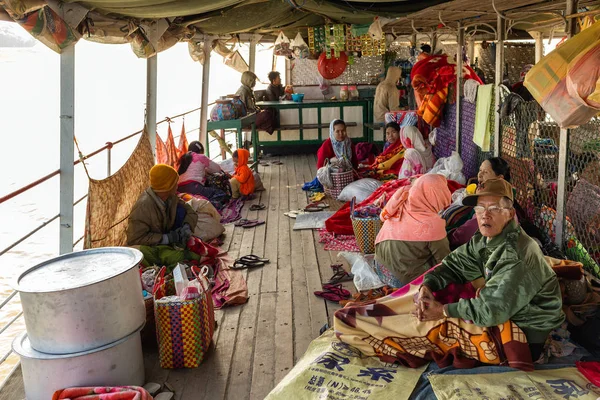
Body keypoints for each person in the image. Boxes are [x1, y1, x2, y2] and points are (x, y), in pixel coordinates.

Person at [416, 178, 564, 360]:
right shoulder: (485, 239)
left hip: (527, 329)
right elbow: (454, 265)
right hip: (501, 312)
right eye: (479, 209)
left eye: (494, 208)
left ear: (510, 214)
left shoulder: (516, 253)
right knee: (424, 311)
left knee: (433, 341)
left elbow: (492, 310)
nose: (485, 215)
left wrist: (443, 311)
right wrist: (427, 286)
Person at [375, 174, 452, 284]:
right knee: (439, 267)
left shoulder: (402, 202)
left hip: (380, 266)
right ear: (438, 194)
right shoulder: (433, 224)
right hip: (400, 279)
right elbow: (444, 259)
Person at [126, 164, 197, 247]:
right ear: (167, 186)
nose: (177, 186)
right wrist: (166, 238)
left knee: (181, 210)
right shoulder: (143, 206)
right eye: (175, 183)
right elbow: (134, 239)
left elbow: (190, 210)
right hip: (152, 246)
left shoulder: (171, 197)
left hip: (165, 235)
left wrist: (187, 225)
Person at [447, 157, 510, 248]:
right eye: (480, 170)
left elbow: (463, 235)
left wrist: (443, 236)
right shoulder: (499, 198)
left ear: (499, 178)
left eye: (485, 172)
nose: (479, 175)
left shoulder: (499, 205)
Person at [177, 141, 229, 209]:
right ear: (201, 150)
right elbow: (217, 169)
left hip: (179, 189)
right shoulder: (201, 157)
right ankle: (209, 206)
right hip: (193, 187)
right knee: (221, 194)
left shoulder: (183, 158)